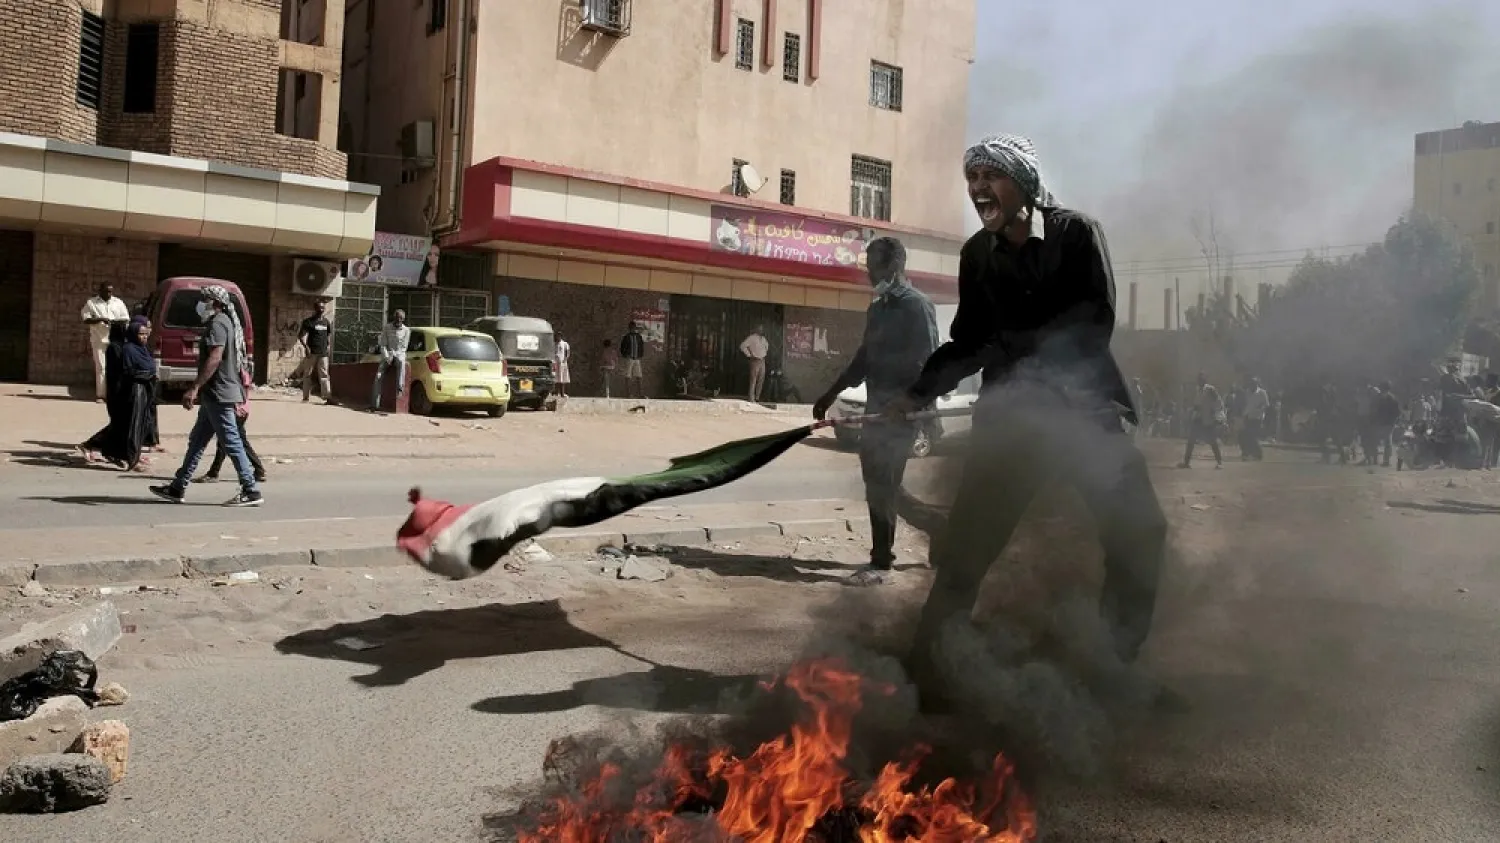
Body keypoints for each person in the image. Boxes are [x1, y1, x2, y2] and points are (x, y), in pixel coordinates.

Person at [885, 133, 1168, 701]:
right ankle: (926, 675)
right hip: (1011, 425)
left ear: (1025, 182)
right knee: (968, 549)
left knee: (1141, 531)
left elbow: (1093, 324)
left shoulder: (1076, 234)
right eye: (972, 179)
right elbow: (968, 342)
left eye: (990, 175)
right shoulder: (976, 256)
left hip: (1081, 417)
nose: (978, 189)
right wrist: (914, 395)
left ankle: (1110, 663)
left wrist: (1010, 349)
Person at [813, 237, 938, 586]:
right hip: (876, 410)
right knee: (879, 485)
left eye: (874, 266)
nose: (868, 273)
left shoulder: (917, 306)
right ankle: (937, 527)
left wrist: (912, 403)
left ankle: (881, 561)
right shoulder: (878, 308)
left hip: (903, 413)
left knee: (883, 484)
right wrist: (830, 392)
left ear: (894, 267)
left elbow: (930, 361)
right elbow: (864, 360)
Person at [148, 285, 263, 507]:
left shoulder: (218, 323)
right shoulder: (224, 322)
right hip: (215, 393)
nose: (201, 304)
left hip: (219, 392)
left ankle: (250, 489)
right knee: (197, 441)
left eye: (205, 300)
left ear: (216, 303)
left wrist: (195, 387)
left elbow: (215, 357)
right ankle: (178, 486)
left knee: (231, 441)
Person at [196, 366, 267, 484]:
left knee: (230, 441)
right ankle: (258, 470)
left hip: (237, 410)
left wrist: (237, 407)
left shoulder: (237, 372)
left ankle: (214, 472)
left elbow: (240, 391)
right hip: (239, 409)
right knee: (233, 441)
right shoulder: (237, 370)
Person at [80, 283, 132, 402]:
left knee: (115, 368)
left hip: (116, 339)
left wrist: (114, 322)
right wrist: (100, 319)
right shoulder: (91, 303)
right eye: (106, 291)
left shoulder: (118, 303)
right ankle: (101, 395)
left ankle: (114, 394)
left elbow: (126, 319)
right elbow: (86, 319)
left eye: (111, 292)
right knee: (101, 368)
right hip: (99, 340)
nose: (109, 294)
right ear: (100, 291)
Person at [1179, 373, 1225, 468]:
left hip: (1208, 419)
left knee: (1213, 441)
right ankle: (1186, 463)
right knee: (1191, 441)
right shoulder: (1198, 390)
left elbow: (1218, 402)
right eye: (1199, 379)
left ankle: (1219, 462)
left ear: (1205, 380)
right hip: (1198, 419)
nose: (1200, 381)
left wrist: (1217, 415)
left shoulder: (1210, 389)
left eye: (1202, 379)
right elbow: (1197, 404)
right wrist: (1193, 411)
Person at [371, 309, 410, 412]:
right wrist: (387, 356)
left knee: (402, 363)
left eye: (400, 318)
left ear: (403, 319)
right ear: (394, 317)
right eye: (397, 317)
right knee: (378, 376)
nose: (398, 320)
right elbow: (383, 344)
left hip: (398, 354)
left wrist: (394, 355)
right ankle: (375, 404)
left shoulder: (406, 330)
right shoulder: (387, 328)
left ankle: (400, 388)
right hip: (387, 354)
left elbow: (404, 347)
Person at [298, 299, 333, 403]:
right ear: (315, 308)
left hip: (323, 353)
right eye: (319, 308)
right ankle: (305, 397)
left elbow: (328, 335)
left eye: (323, 307)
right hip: (311, 352)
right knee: (307, 374)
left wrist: (328, 346)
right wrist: (306, 347)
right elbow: (300, 336)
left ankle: (327, 397)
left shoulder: (326, 322)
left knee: (324, 374)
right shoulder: (308, 322)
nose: (321, 310)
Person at [1240, 377, 1269, 461]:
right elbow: (1246, 404)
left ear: (1257, 384)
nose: (1252, 385)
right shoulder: (1247, 392)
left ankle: (1258, 453)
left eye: (1253, 384)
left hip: (1257, 417)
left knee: (1252, 435)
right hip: (1248, 416)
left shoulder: (1262, 392)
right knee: (1245, 435)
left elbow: (1266, 405)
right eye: (1251, 384)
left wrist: (1260, 409)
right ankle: (1248, 452)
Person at [740, 325, 769, 402]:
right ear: (756, 329)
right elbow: (742, 346)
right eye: (760, 329)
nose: (761, 330)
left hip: (762, 360)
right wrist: (749, 355)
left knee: (761, 379)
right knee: (753, 380)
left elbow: (767, 347)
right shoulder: (752, 338)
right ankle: (751, 398)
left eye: (762, 329)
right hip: (755, 360)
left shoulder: (763, 339)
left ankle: (757, 397)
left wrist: (763, 354)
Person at [619, 322, 646, 399]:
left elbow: (641, 346)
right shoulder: (626, 337)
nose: (632, 329)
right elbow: (622, 347)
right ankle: (629, 394)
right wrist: (625, 355)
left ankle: (640, 394)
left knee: (639, 376)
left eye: (633, 327)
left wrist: (640, 355)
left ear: (635, 328)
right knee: (628, 376)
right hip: (629, 358)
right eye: (631, 327)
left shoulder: (638, 337)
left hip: (637, 358)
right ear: (629, 328)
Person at [554, 331, 571, 399]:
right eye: (557, 336)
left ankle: (562, 393)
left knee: (562, 378)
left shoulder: (564, 344)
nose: (558, 337)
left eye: (559, 336)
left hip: (562, 363)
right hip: (555, 362)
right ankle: (556, 392)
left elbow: (568, 353)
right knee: (555, 378)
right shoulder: (554, 344)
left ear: (561, 336)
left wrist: (565, 359)